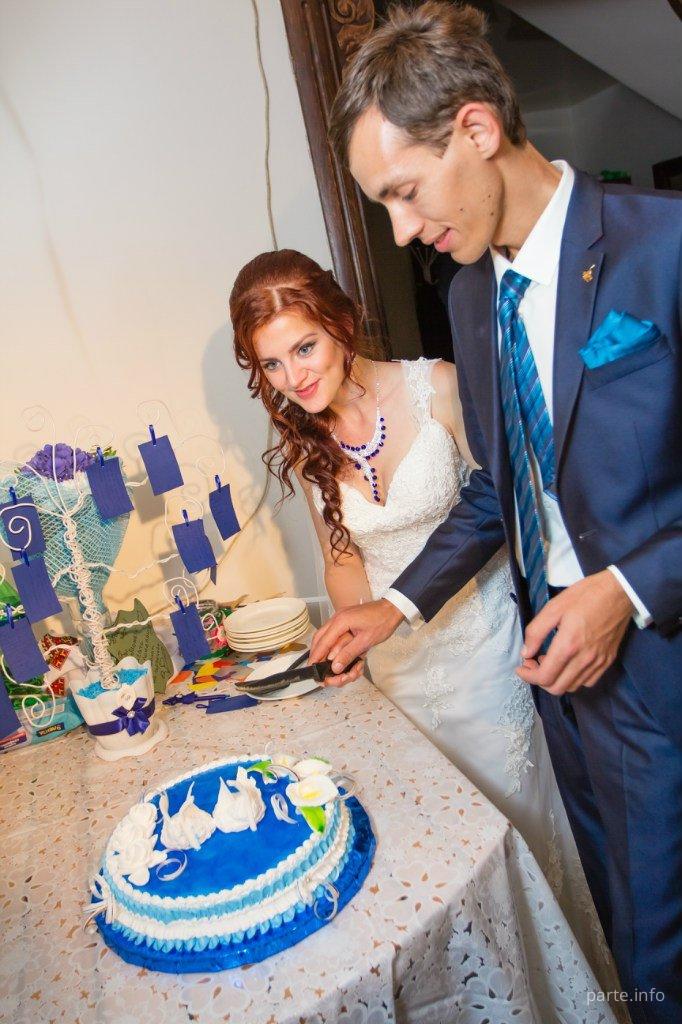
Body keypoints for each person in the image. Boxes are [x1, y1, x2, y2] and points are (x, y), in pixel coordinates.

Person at [308, 3, 682, 1020]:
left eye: (403, 192)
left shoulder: (664, 246)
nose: (399, 229)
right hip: (553, 680)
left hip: (660, 664)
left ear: (475, 128)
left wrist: (625, 589)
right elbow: (499, 485)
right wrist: (395, 606)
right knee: (622, 926)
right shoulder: (471, 298)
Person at [229, 247, 613, 979]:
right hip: (400, 678)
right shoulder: (305, 442)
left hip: (488, 657)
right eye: (271, 364)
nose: (294, 377)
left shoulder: (436, 386)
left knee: (521, 842)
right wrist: (350, 640)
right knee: (444, 870)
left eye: (304, 347)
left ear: (342, 323)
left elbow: (508, 505)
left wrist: (391, 610)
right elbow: (344, 563)